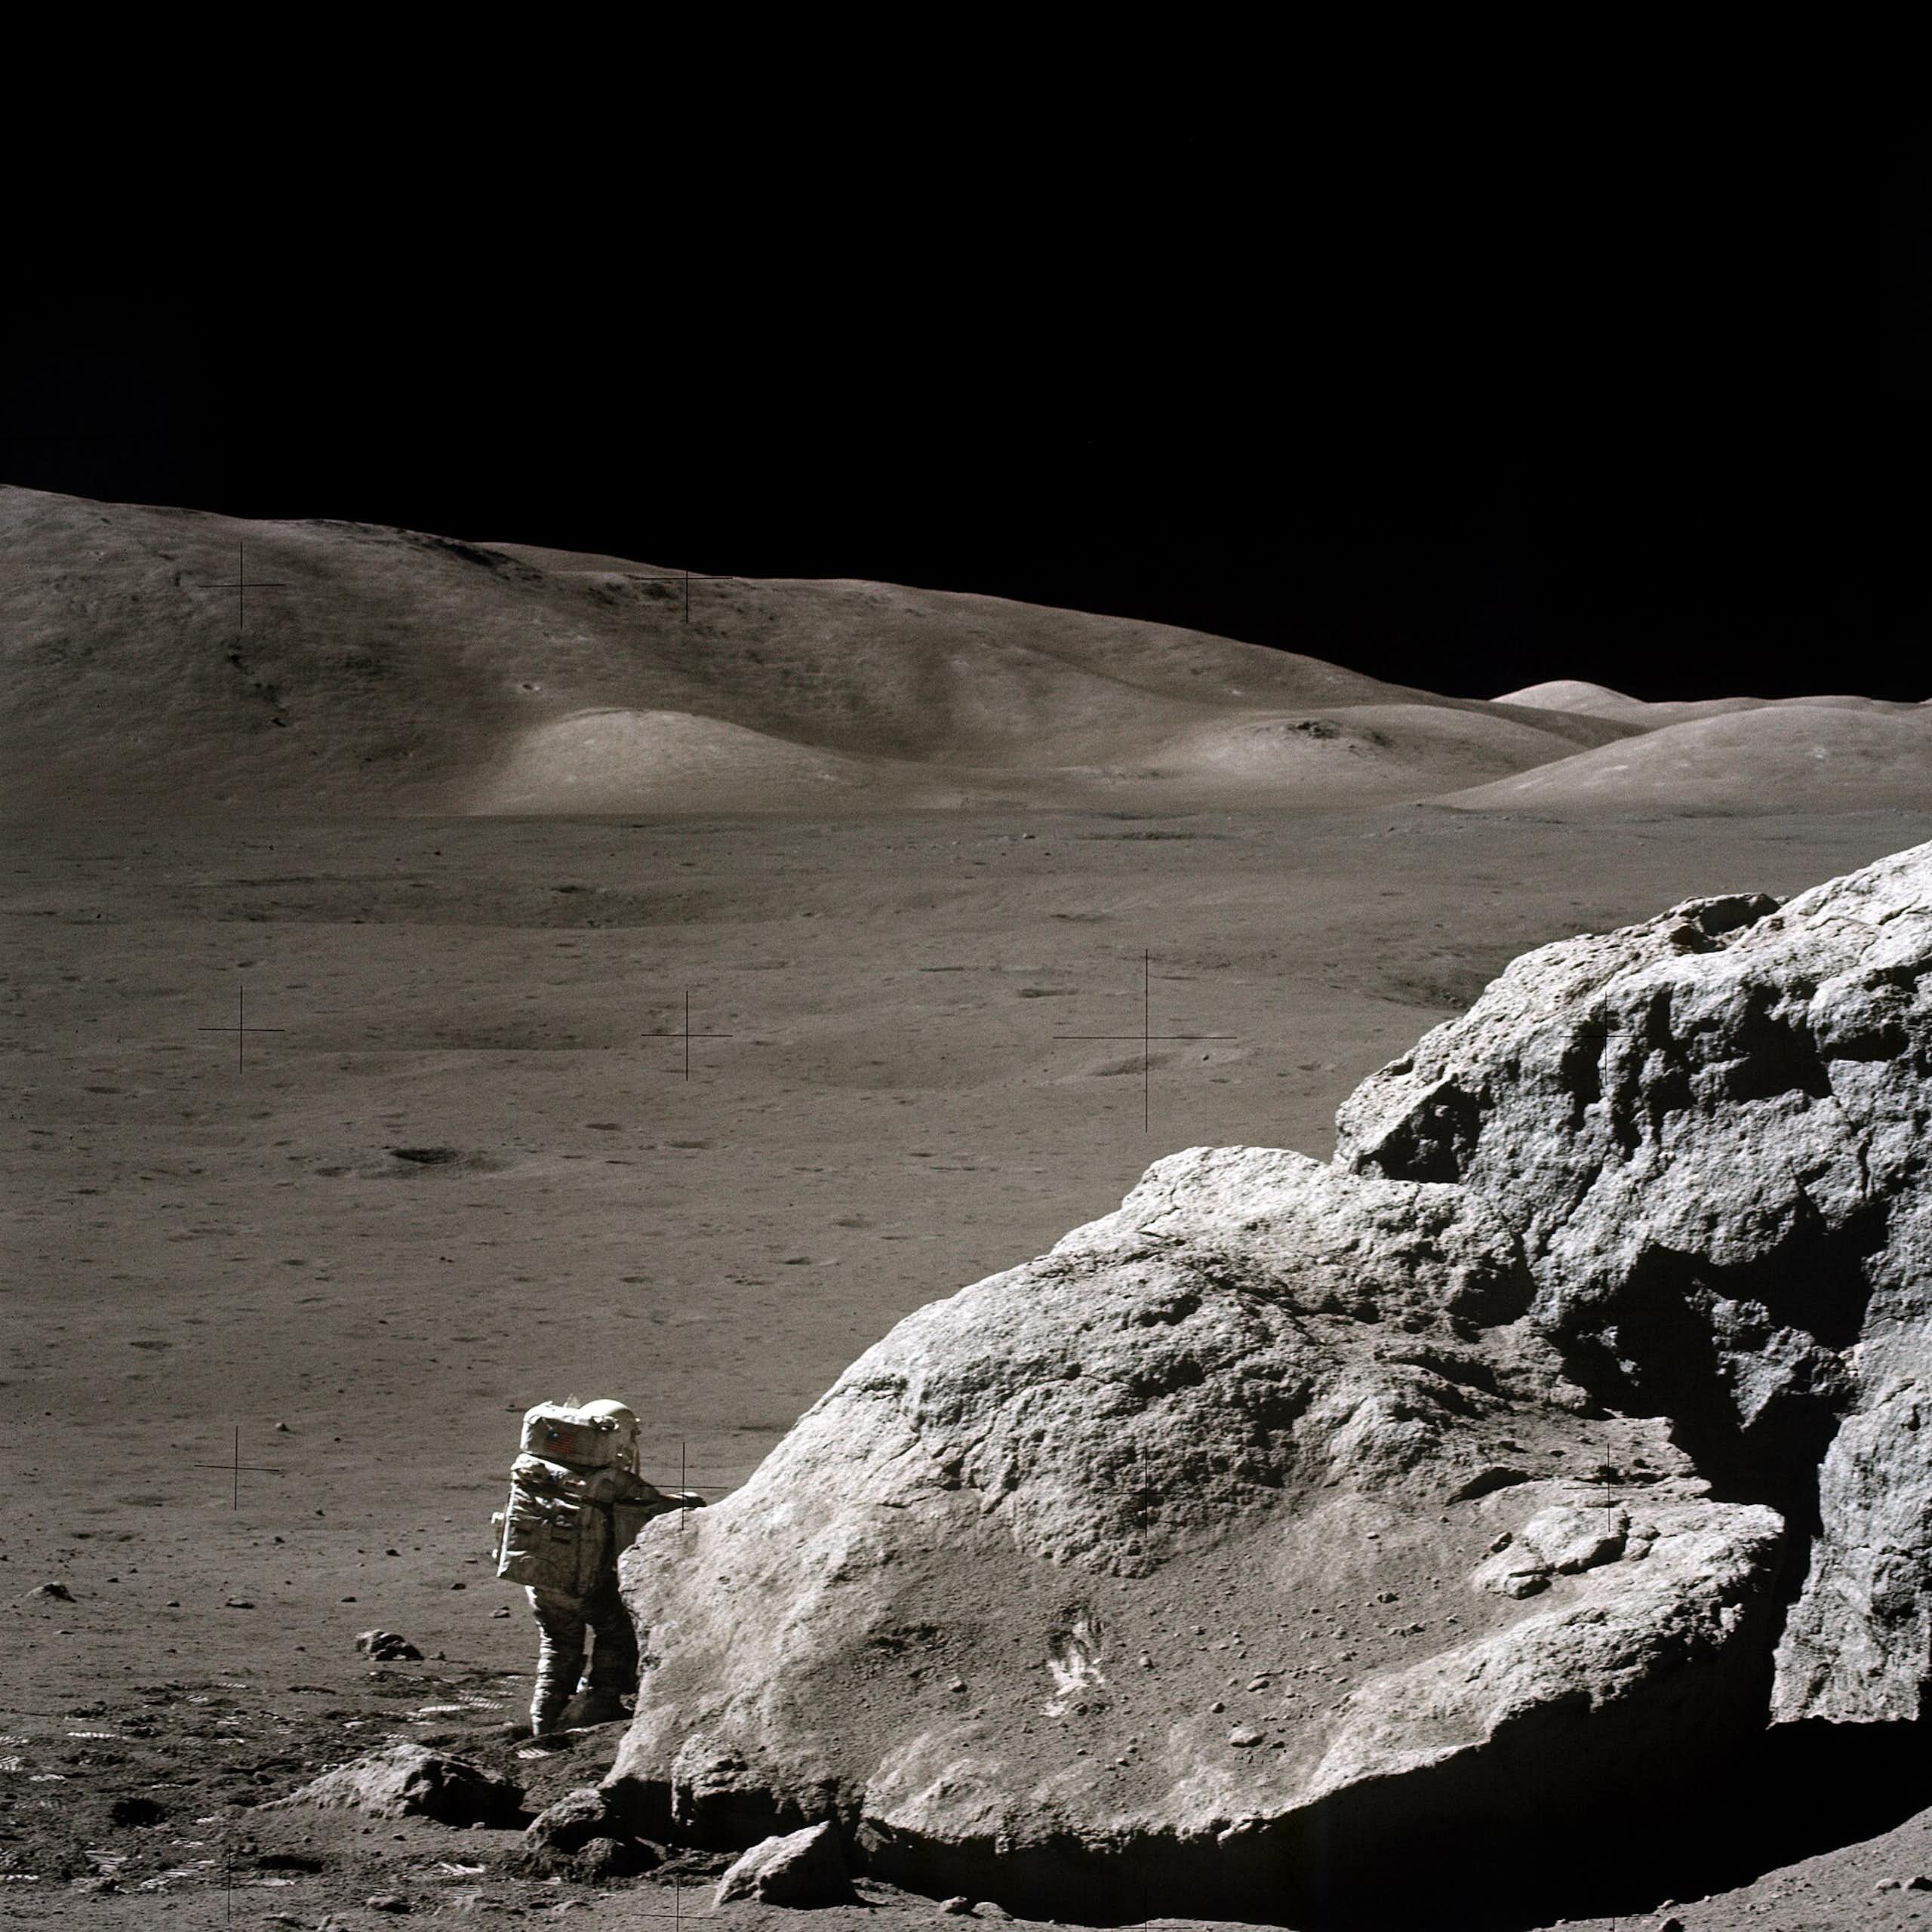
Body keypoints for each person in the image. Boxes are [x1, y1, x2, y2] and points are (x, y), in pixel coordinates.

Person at [495, 1397, 695, 1737]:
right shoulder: (609, 1479)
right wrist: (687, 1503)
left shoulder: (541, 1470)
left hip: (541, 1581)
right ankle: (600, 1703)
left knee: (558, 1647)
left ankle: (544, 1723)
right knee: (617, 1634)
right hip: (583, 1585)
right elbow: (654, 1502)